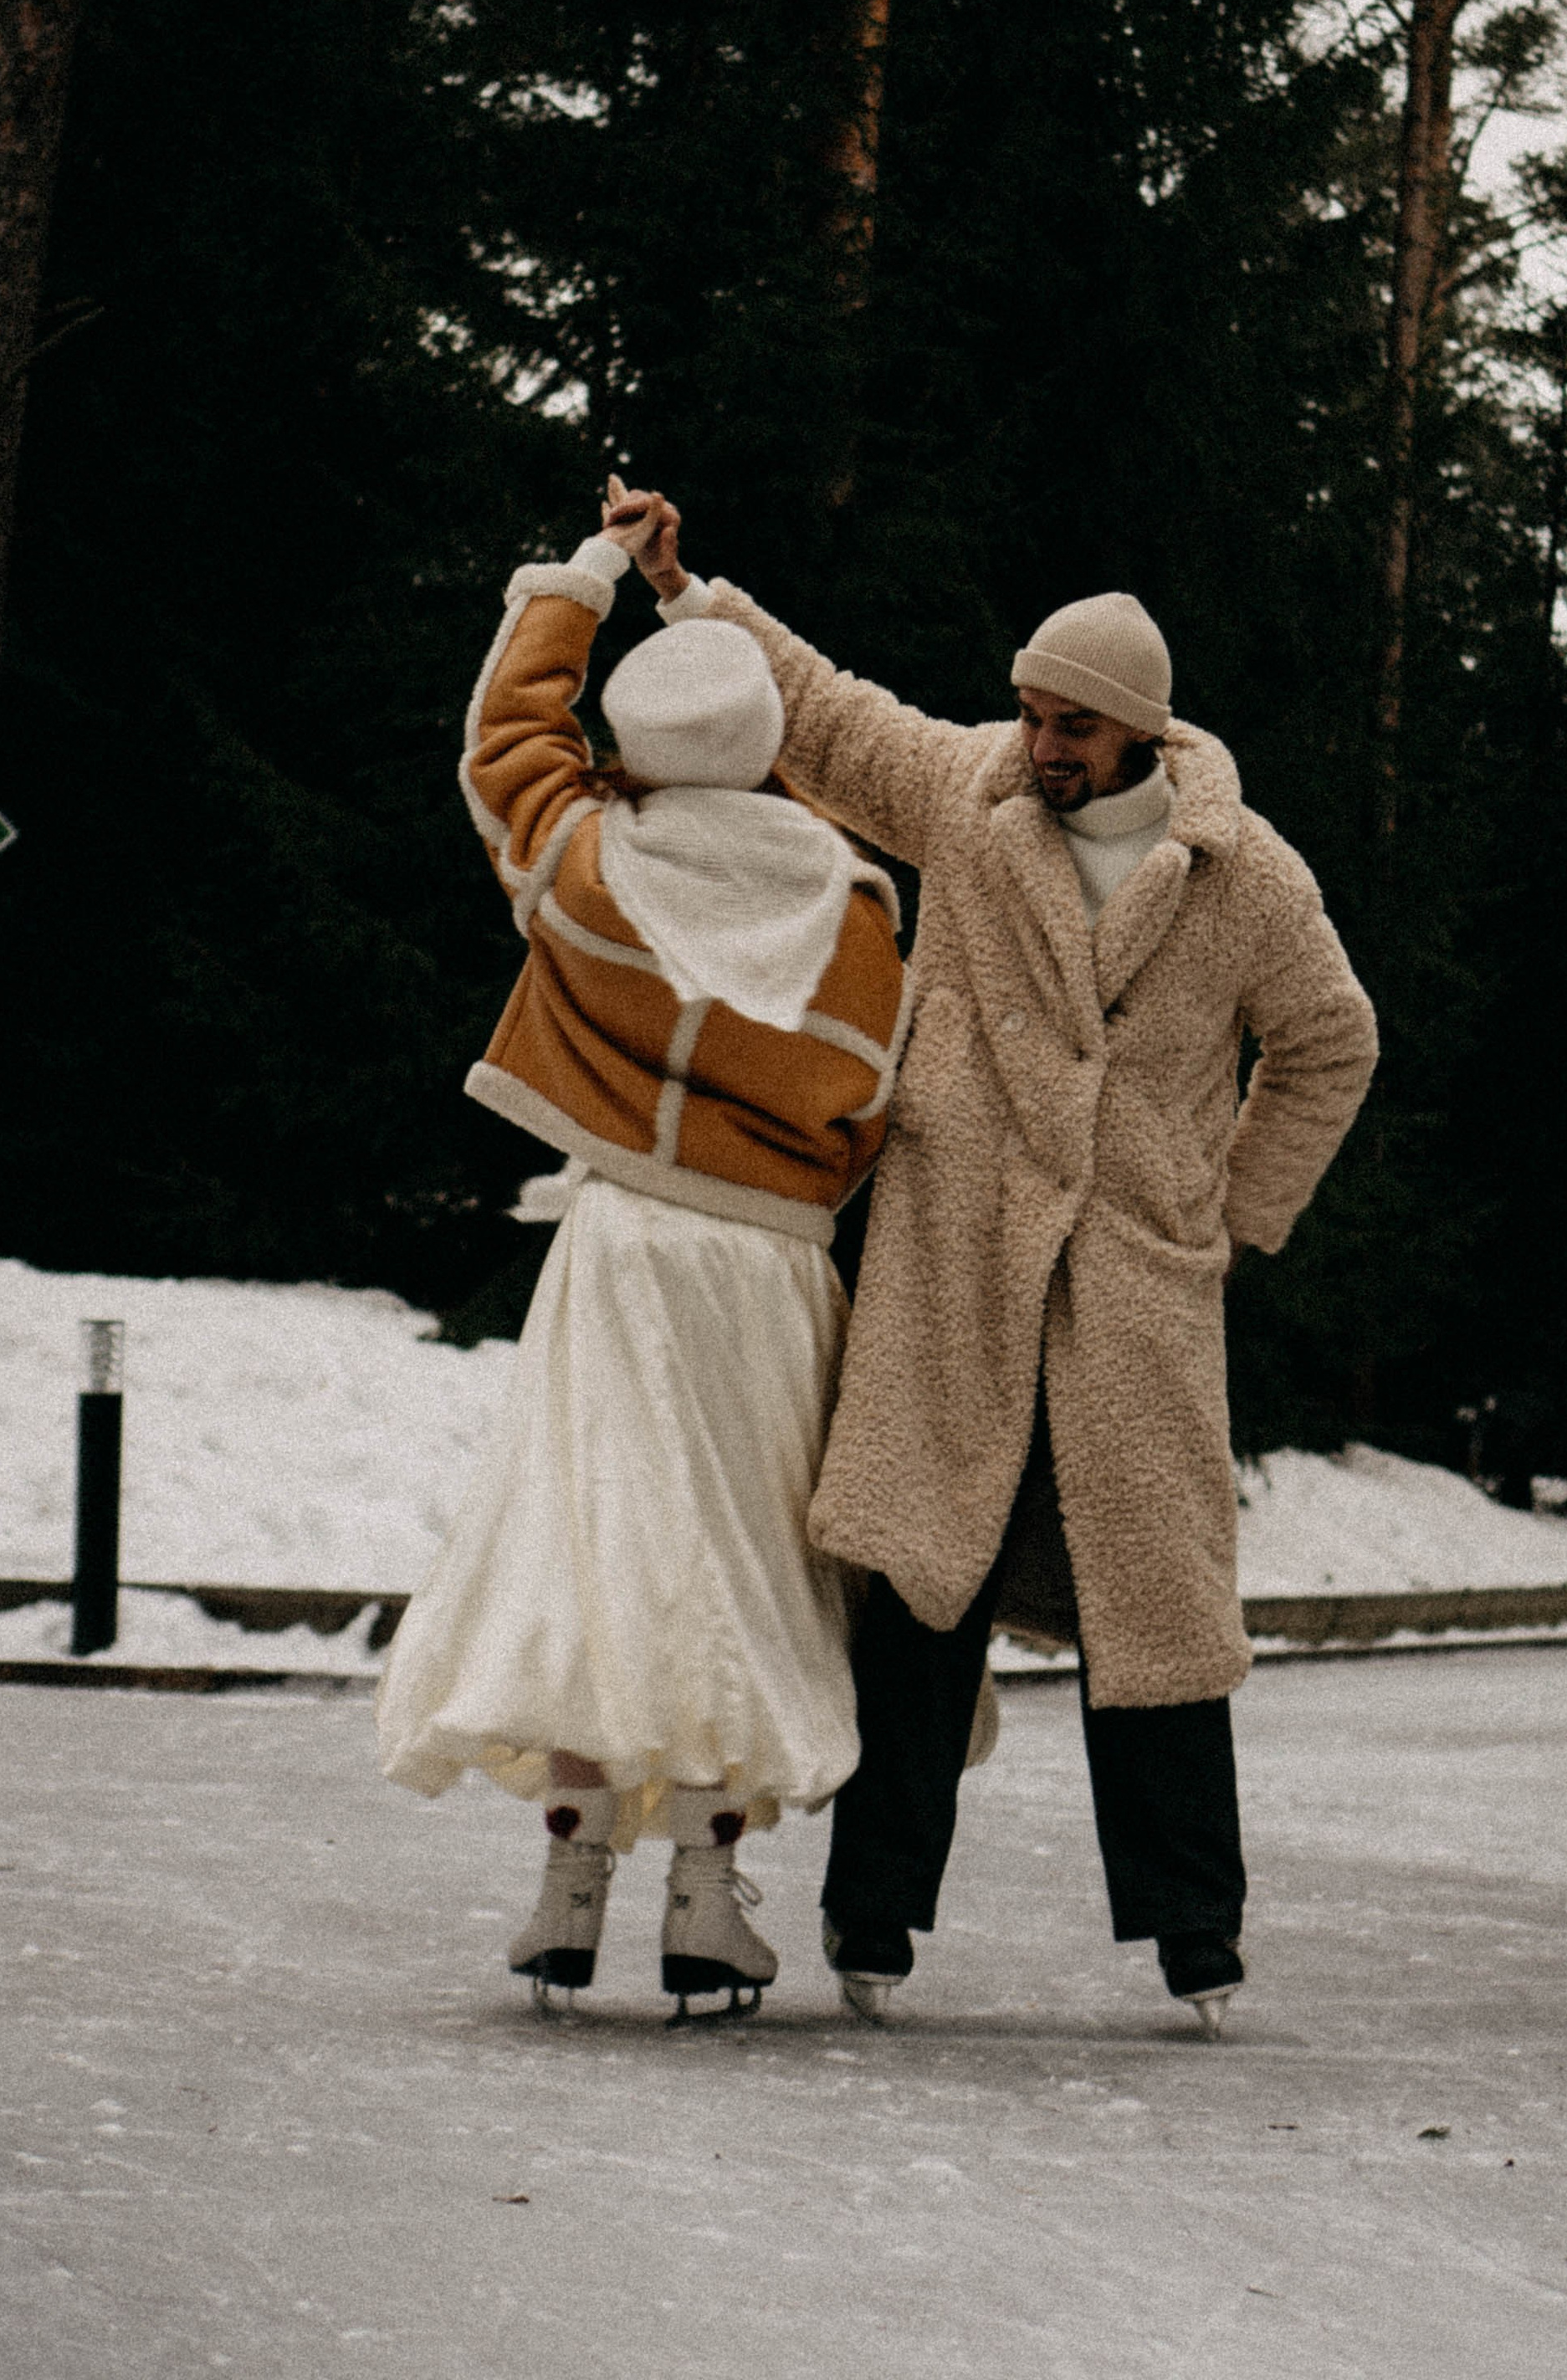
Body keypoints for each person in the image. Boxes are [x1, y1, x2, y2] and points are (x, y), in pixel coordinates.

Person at [608, 489, 1379, 2033]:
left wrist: (1220, 1215)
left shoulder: (1249, 878)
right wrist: (688, 591)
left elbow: (1331, 1044)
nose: (1037, 746)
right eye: (1028, 716)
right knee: (915, 1604)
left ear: (1137, 734)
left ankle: (1197, 1939)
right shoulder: (970, 797)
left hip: (1132, 1297)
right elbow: (824, 721)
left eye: (1068, 728)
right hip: (956, 1264)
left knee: (1155, 1625)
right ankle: (869, 1924)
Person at [374, 484, 908, 2019]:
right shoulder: (855, 907)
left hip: (618, 1246)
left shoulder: (590, 866)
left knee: (601, 1545)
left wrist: (599, 572)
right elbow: (875, 1098)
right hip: (769, 1262)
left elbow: (504, 741)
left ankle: (570, 1872)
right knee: (737, 1569)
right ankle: (707, 1893)